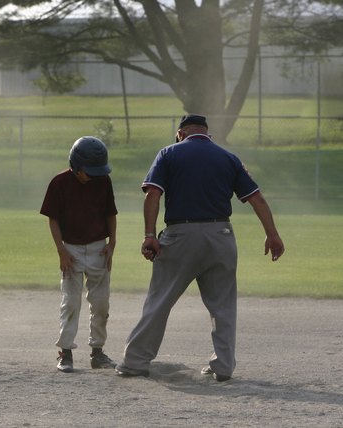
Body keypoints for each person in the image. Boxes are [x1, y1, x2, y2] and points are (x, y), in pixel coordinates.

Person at [114, 114, 285, 382]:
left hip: (181, 235)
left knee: (159, 301)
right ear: (208, 135)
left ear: (180, 133)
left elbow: (153, 195)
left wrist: (149, 235)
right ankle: (224, 367)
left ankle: (135, 361)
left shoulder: (169, 153)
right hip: (221, 235)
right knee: (223, 307)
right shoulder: (228, 157)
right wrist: (272, 235)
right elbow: (257, 199)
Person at [40, 136, 118, 373]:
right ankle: (65, 351)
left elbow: (110, 214)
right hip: (71, 249)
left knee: (101, 303)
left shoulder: (103, 181)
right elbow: (53, 220)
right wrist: (61, 251)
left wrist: (112, 243)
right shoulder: (59, 183)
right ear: (75, 166)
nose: (93, 176)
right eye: (88, 171)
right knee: (71, 301)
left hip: (98, 248)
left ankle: (98, 352)